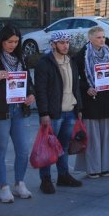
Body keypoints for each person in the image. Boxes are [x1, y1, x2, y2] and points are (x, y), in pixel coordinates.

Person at [0, 24, 36, 203]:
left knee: (23, 150)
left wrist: (31, 94)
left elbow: (28, 81)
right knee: (0, 150)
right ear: (2, 41)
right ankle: (3, 186)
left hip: (18, 109)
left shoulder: (21, 58)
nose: (12, 45)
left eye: (16, 42)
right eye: (9, 42)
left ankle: (19, 182)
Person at [34, 31, 84, 194]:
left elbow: (76, 86)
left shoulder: (72, 61)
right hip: (53, 113)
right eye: (61, 42)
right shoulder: (45, 63)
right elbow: (40, 90)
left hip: (70, 110)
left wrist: (79, 108)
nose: (65, 45)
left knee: (64, 146)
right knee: (48, 147)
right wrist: (44, 113)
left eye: (67, 42)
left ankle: (63, 175)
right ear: (53, 44)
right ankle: (46, 179)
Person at [75, 26, 109, 178]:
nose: (102, 40)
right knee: (93, 136)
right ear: (91, 39)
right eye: (99, 37)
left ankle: (105, 166)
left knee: (106, 135)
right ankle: (93, 168)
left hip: (106, 98)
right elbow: (76, 79)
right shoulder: (81, 56)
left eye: (103, 37)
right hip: (90, 100)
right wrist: (86, 88)